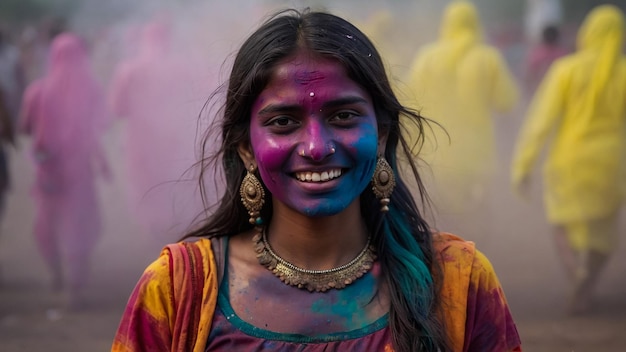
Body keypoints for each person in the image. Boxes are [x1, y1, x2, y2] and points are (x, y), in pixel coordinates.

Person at [112, 9, 522, 352]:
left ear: (380, 134)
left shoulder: (457, 284)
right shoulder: (176, 293)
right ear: (246, 148)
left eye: (343, 116)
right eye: (283, 122)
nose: (316, 146)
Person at [511, 4, 626, 315]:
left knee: (561, 224)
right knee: (604, 233)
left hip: (569, 164)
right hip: (612, 168)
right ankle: (587, 290)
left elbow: (540, 121)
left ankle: (576, 271)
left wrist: (523, 165)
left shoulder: (567, 70)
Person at [403, 0, 519, 236]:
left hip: (435, 153)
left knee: (441, 216)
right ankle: (474, 264)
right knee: (475, 214)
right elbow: (507, 102)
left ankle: (446, 264)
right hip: (476, 155)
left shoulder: (427, 57)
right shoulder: (488, 58)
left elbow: (406, 101)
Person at [18, 32, 110, 309]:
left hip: (48, 173)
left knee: (48, 224)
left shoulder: (37, 91)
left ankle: (56, 271)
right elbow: (103, 123)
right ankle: (75, 285)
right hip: (79, 172)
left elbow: (24, 127)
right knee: (79, 224)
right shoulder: (91, 89)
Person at [108, 17, 208, 243]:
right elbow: (197, 100)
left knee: (145, 184)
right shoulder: (183, 67)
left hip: (141, 140)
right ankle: (172, 233)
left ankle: (153, 233)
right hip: (175, 137)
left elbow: (117, 109)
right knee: (172, 183)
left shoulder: (129, 69)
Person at [522, 24, 568, 97]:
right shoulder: (563, 55)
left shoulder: (536, 54)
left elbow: (528, 75)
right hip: (558, 93)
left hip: (540, 92)